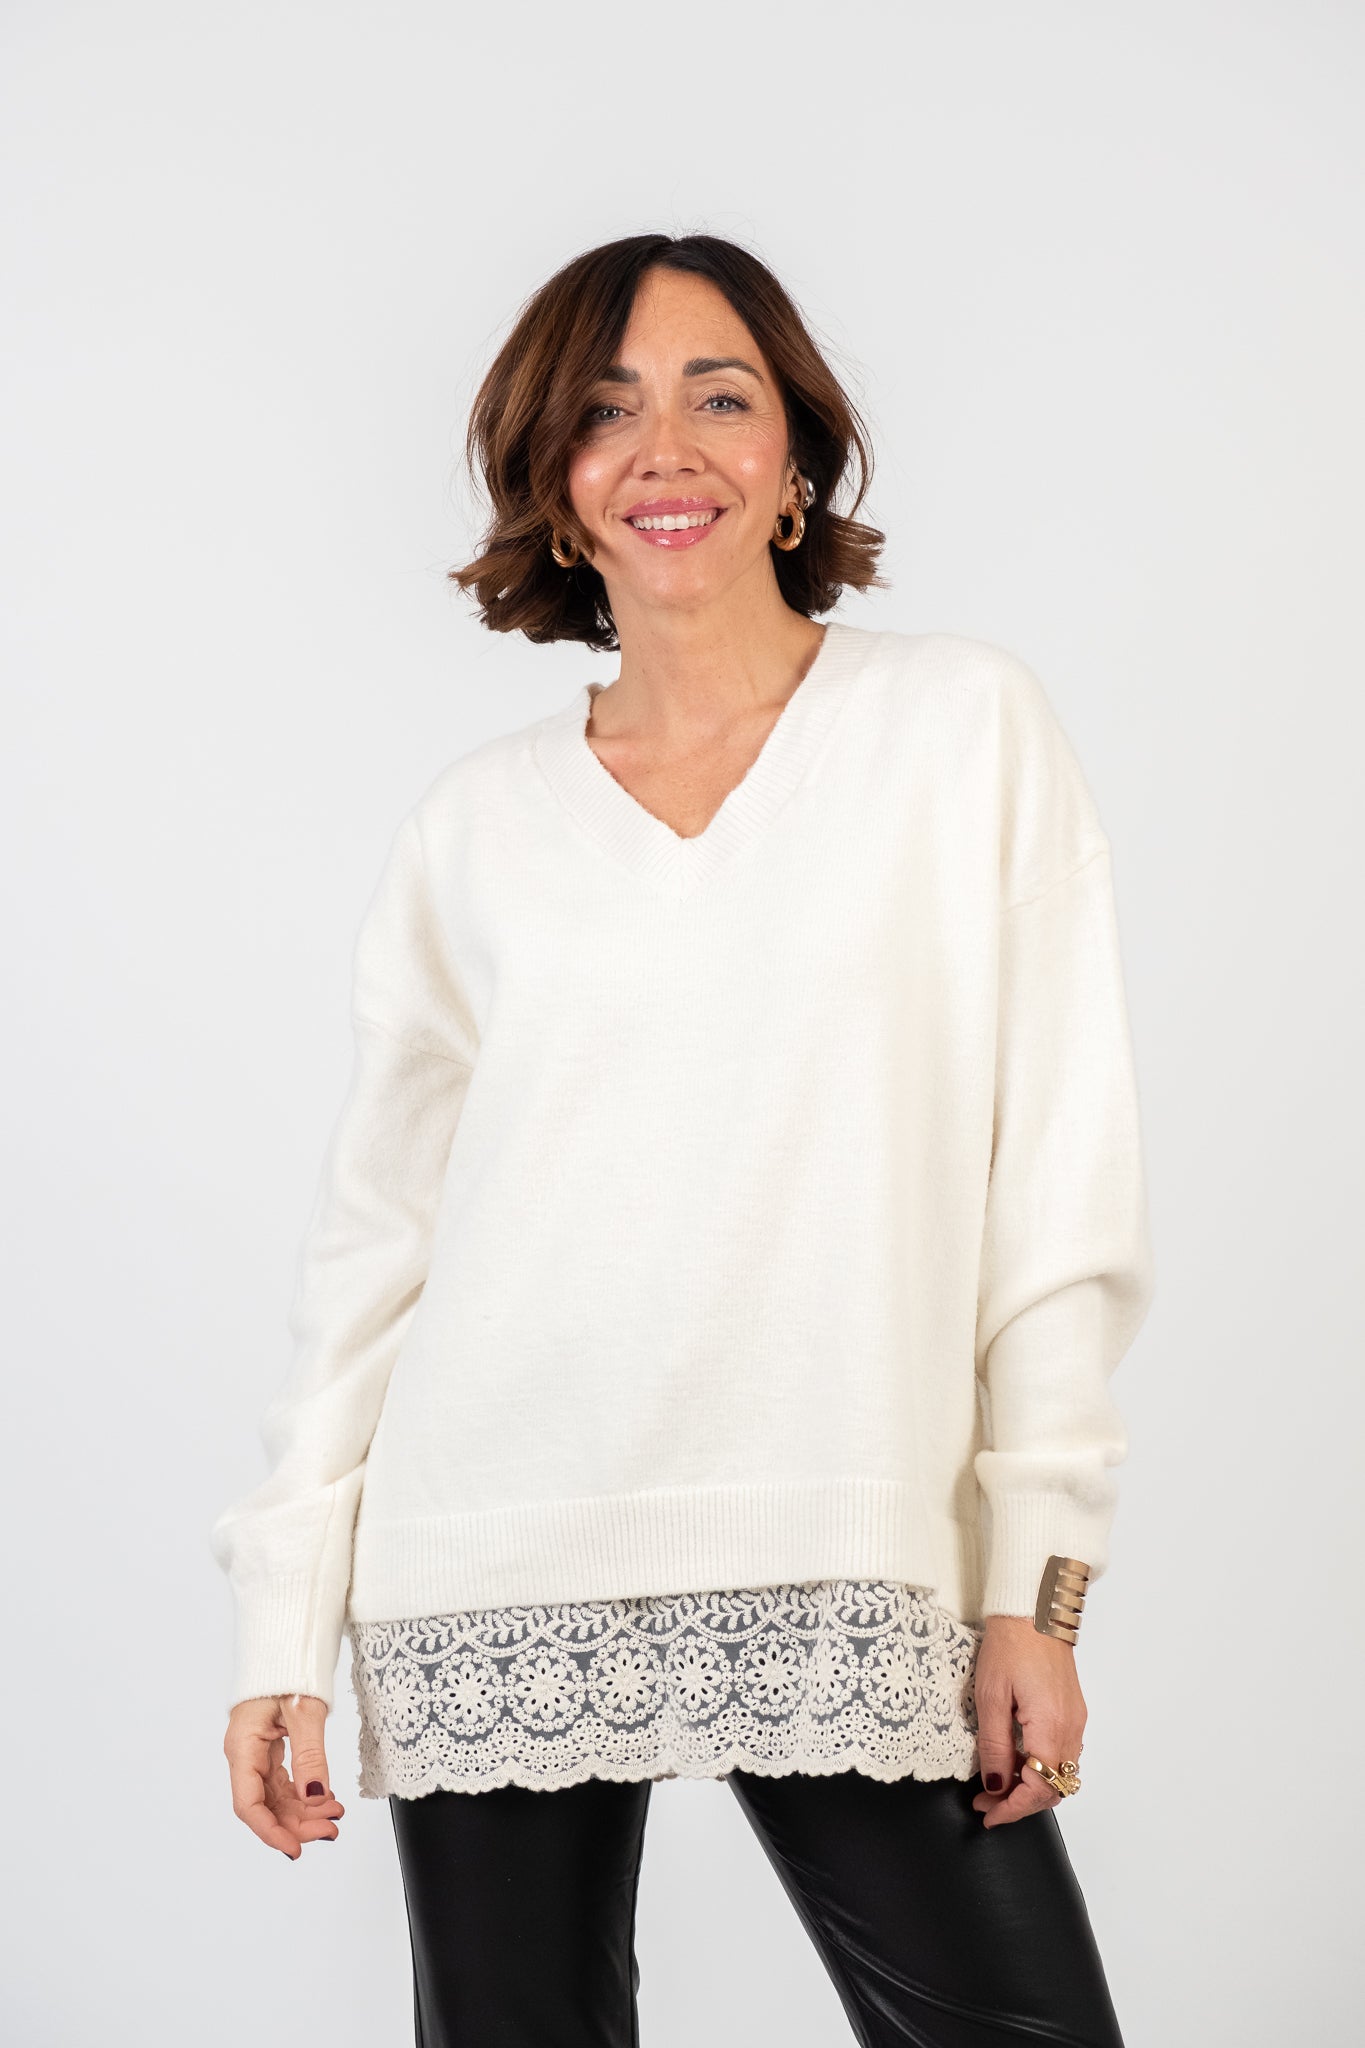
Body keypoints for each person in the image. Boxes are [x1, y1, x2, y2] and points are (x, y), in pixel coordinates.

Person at [211, 232, 1155, 2046]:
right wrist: (282, 1625)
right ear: (553, 487)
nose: (665, 449)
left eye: (719, 397)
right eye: (604, 412)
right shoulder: (476, 828)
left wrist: (1038, 1585)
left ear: (795, 456)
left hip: (845, 1536)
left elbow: (1058, 1182)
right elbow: (375, 1252)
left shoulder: (958, 729)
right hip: (491, 1555)